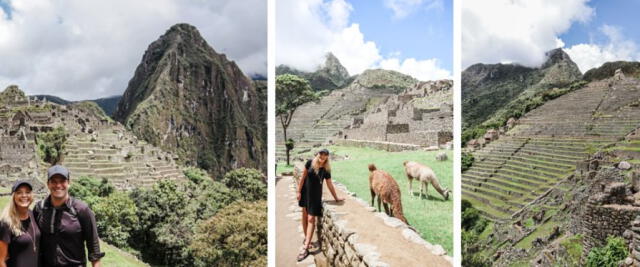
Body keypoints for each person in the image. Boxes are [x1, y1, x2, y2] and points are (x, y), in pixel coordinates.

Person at [33, 165, 104, 267]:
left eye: (62, 181)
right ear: (48, 184)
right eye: (54, 181)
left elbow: (93, 245)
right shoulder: (40, 208)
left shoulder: (81, 209)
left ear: (69, 183)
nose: (58, 185)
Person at [296, 149, 343, 261]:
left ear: (327, 157)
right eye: (321, 154)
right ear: (317, 155)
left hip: (316, 195)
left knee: (311, 218)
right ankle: (308, 239)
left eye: (325, 155)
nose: (322, 156)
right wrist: (298, 191)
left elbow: (330, 185)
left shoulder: (326, 169)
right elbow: (303, 178)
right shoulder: (310, 163)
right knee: (304, 215)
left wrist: (336, 198)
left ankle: (305, 248)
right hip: (305, 192)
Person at [0, 180, 40, 267]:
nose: (24, 195)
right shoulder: (6, 223)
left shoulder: (32, 214)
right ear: (13, 197)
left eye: (27, 192)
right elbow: (1, 260)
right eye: (19, 192)